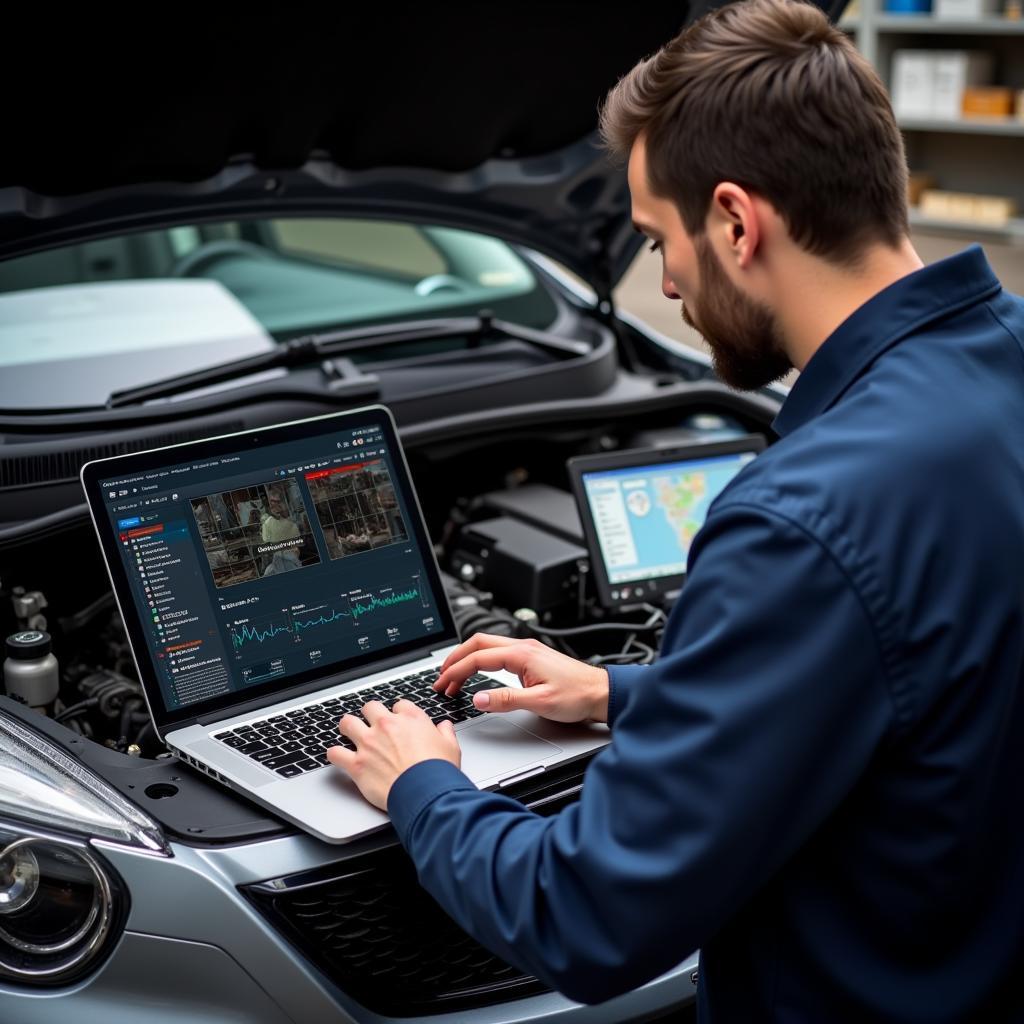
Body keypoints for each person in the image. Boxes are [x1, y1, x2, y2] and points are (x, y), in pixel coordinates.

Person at [325, 1, 1024, 1019]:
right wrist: (620, 693)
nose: (664, 283)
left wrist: (422, 782)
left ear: (737, 223)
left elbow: (586, 914)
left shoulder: (798, 520)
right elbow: (908, 684)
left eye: (658, 240)